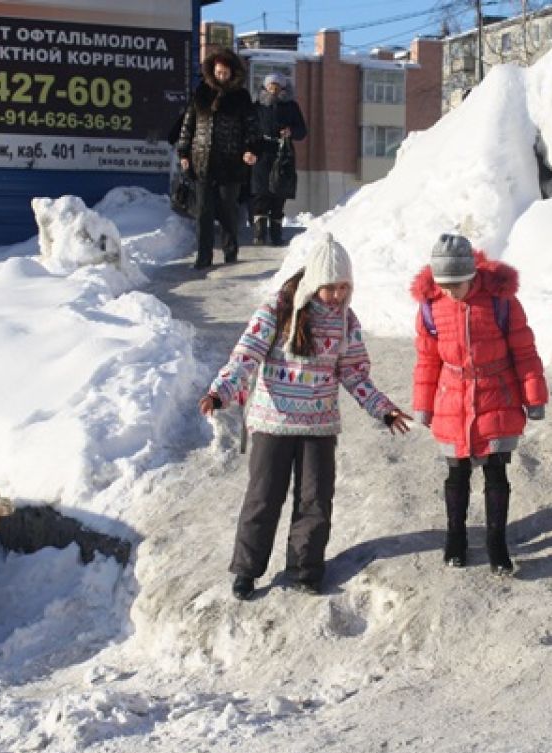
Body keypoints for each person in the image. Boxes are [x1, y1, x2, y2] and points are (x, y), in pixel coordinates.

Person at [199, 233, 413, 599]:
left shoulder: (346, 321)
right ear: (314, 281)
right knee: (263, 497)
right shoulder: (277, 310)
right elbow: (245, 356)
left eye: (344, 287)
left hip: (319, 425)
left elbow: (354, 373)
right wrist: (222, 392)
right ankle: (247, 570)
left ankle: (304, 568)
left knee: (315, 499)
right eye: (331, 288)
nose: (338, 295)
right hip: (273, 422)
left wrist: (383, 408)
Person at [410, 234, 549, 574]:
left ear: (471, 275)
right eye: (443, 284)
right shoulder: (430, 306)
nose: (449, 291)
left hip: (495, 392)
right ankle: (455, 536)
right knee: (456, 472)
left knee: (495, 470)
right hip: (452, 396)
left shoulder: (501, 302)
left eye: (455, 284)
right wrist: (423, 404)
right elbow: (427, 360)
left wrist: (534, 396)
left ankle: (496, 542)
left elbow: (524, 351)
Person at [177, 48, 262, 270]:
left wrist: (250, 149)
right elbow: (188, 125)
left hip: (230, 164)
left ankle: (230, 253)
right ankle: (203, 257)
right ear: (211, 72)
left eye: (225, 73)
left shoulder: (241, 97)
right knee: (203, 212)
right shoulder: (201, 93)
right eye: (218, 72)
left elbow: (252, 128)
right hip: (202, 162)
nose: (221, 76)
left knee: (227, 211)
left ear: (232, 73)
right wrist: (184, 153)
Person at [251, 73, 308, 246]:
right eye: (270, 86)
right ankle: (260, 234)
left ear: (283, 88)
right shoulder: (257, 106)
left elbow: (302, 131)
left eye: (277, 87)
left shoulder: (291, 106)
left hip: (283, 154)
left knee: (279, 193)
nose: (273, 90)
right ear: (265, 87)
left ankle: (276, 234)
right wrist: (249, 149)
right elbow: (250, 129)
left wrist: (291, 132)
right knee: (261, 193)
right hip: (262, 153)